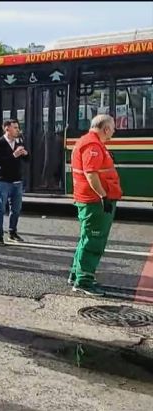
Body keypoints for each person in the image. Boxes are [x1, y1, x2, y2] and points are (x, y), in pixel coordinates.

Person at [69, 114, 122, 296]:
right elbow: (91, 174)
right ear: (105, 128)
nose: (114, 131)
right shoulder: (93, 145)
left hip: (89, 199)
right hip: (94, 201)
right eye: (113, 128)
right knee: (94, 239)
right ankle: (84, 281)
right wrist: (104, 196)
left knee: (86, 237)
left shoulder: (87, 142)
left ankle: (76, 274)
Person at [0, 119, 28, 246]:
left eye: (18, 127)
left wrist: (25, 153)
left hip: (17, 180)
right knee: (0, 208)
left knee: (16, 209)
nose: (17, 130)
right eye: (15, 128)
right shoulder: (0, 143)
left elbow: (27, 159)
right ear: (7, 129)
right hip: (3, 180)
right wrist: (13, 155)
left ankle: (12, 232)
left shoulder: (19, 141)